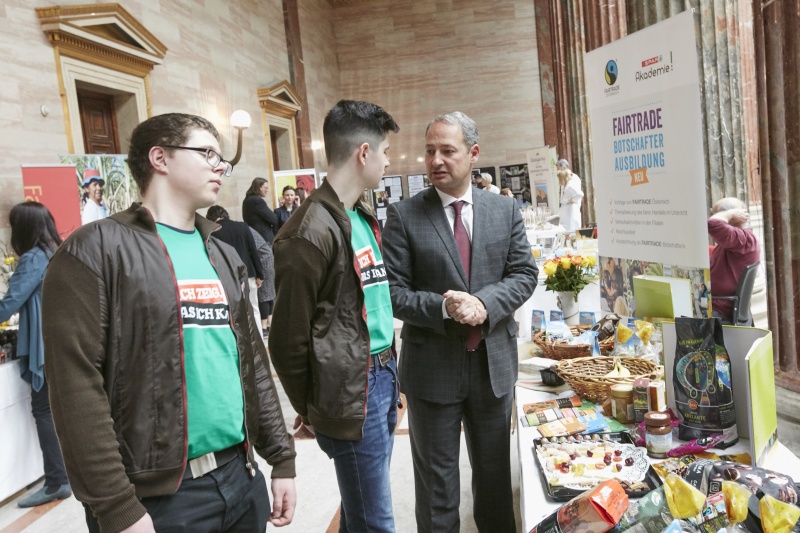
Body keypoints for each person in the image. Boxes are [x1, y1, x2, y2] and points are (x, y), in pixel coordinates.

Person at [42, 113, 296, 533]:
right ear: (159, 158)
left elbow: (252, 361)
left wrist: (281, 456)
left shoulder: (221, 253)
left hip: (240, 475)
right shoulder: (94, 249)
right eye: (207, 153)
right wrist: (117, 506)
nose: (220, 166)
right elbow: (75, 388)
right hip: (158, 499)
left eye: (221, 158)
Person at [382, 111, 538, 532]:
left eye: (447, 151)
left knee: (495, 482)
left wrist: (484, 304)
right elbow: (392, 292)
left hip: (492, 367)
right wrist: (443, 307)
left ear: (473, 154)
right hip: (432, 371)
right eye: (429, 151)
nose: (436, 160)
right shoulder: (404, 215)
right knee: (437, 490)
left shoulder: (504, 209)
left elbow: (524, 274)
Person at [270, 100, 400, 533]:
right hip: (350, 387)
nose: (388, 161)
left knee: (362, 509)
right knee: (375, 522)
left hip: (381, 376)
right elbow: (286, 341)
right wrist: (313, 405)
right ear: (364, 153)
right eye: (384, 152)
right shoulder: (308, 231)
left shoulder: (359, 214)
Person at [0, 202, 71, 508]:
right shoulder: (56, 251)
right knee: (55, 411)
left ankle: (56, 481)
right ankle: (63, 476)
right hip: (60, 340)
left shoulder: (32, 258)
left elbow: (9, 303)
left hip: (43, 345)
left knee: (43, 411)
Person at [206, 205, 265, 337]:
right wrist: (259, 275)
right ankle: (259, 339)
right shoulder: (242, 226)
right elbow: (253, 251)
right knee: (254, 309)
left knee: (236, 313)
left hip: (229, 278)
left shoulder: (213, 232)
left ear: (211, 218)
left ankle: (243, 340)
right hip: (249, 274)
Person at [708, 197, 760, 321]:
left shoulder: (743, 239)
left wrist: (729, 213)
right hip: (715, 303)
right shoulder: (736, 240)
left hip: (718, 307)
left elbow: (712, 223)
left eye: (717, 214)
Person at [243, 177, 279, 244]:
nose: (267, 190)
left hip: (255, 237)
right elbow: (273, 218)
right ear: (259, 187)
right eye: (265, 188)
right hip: (263, 239)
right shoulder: (257, 200)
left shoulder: (247, 199)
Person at [557, 160, 584, 232]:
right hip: (565, 209)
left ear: (563, 167)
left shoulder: (574, 178)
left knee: (571, 229)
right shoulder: (564, 178)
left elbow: (579, 194)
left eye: (559, 169)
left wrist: (572, 200)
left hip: (571, 208)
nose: (558, 171)